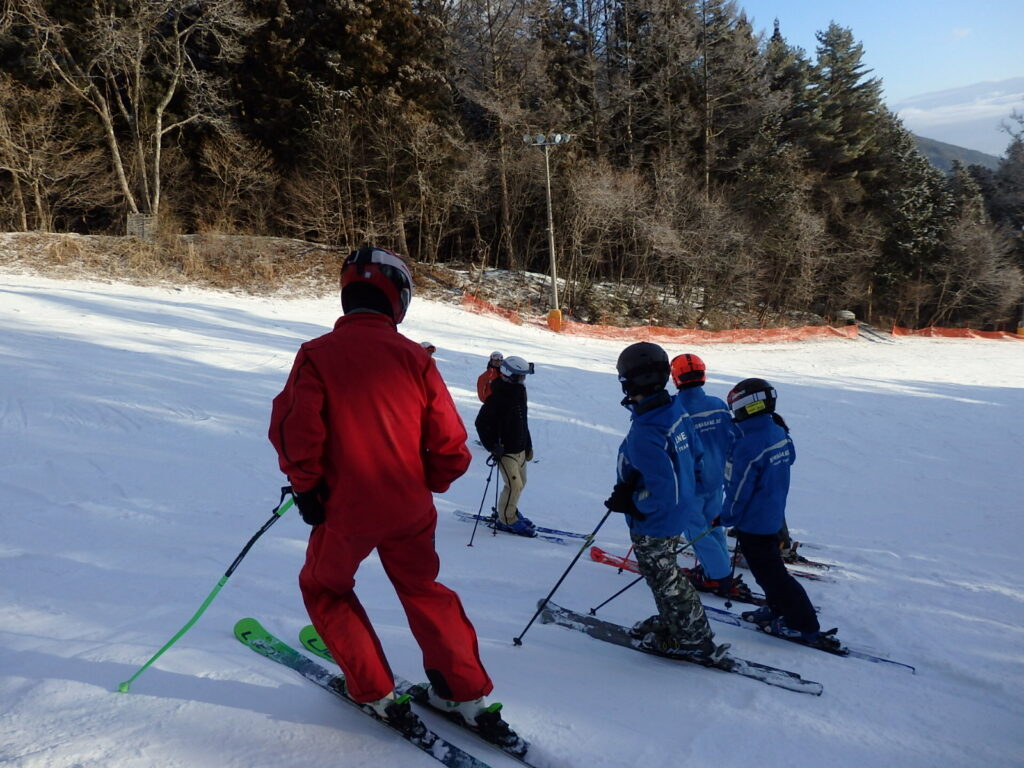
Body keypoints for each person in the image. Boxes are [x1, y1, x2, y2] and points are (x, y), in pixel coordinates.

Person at [268, 247, 521, 747]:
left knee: (325, 588)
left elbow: (296, 433)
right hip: (409, 510)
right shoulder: (415, 359)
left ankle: (376, 691)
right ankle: (464, 694)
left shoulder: (316, 355)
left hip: (346, 510)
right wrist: (424, 479)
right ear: (397, 299)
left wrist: (307, 489)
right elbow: (450, 446)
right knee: (423, 589)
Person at [606, 342, 725, 661]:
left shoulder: (647, 431)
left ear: (631, 382)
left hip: (656, 520)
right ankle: (677, 620)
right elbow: (696, 455)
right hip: (674, 511)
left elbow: (665, 491)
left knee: (663, 575)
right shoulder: (673, 410)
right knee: (662, 572)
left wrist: (632, 501)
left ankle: (693, 637)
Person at [717, 378, 840, 650]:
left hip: (755, 520)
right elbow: (791, 456)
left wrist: (725, 517)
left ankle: (804, 624)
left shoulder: (749, 444)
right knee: (765, 572)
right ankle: (776, 608)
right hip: (772, 515)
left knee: (774, 575)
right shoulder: (775, 430)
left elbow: (739, 491)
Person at [669, 354, 751, 601]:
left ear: (676, 378)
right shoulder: (717, 404)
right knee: (714, 524)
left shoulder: (675, 408)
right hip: (716, 479)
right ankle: (717, 568)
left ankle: (717, 575)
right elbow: (731, 437)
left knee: (696, 529)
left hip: (690, 482)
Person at [474, 355, 536, 537]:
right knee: (513, 485)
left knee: (521, 483)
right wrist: (492, 446)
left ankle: (509, 509)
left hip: (520, 448)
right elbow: (480, 423)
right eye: (521, 376)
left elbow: (522, 420)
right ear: (511, 375)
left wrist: (528, 445)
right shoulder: (497, 397)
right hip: (506, 450)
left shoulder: (519, 392)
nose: (524, 379)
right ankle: (507, 519)